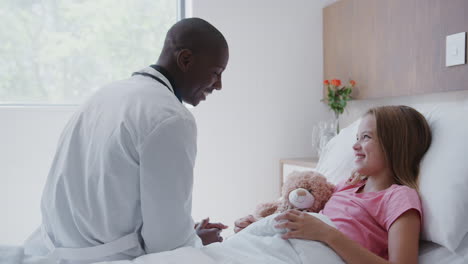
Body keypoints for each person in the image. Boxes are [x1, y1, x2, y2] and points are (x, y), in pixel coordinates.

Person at [24, 17, 229, 263]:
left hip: (52, 247)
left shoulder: (105, 95)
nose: (218, 85)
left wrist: (189, 233)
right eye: (215, 73)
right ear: (185, 60)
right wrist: (193, 242)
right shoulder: (171, 117)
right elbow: (167, 243)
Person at [235, 105, 432, 263]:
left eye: (366, 137)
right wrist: (262, 227)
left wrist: (327, 234)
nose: (355, 146)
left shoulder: (399, 197)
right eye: (356, 138)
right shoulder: (347, 186)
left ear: (394, 145)